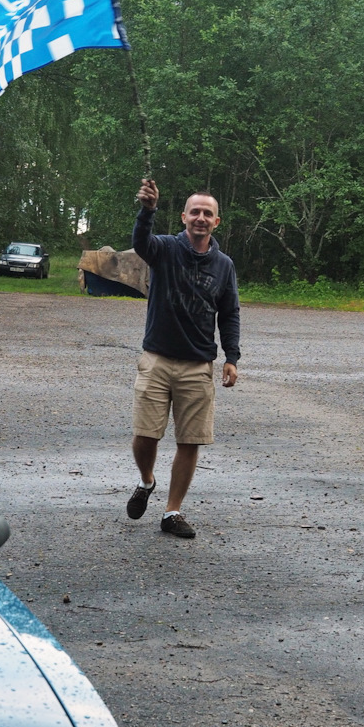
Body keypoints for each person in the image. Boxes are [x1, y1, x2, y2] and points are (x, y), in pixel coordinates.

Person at [126, 178, 240, 538]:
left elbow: (230, 312)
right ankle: (147, 482)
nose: (201, 218)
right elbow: (140, 243)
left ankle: (172, 512)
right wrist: (147, 211)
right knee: (145, 435)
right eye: (196, 212)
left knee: (189, 441)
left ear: (217, 222)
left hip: (198, 364)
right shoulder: (165, 249)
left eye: (208, 213)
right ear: (184, 216)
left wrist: (231, 357)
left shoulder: (224, 265)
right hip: (157, 359)